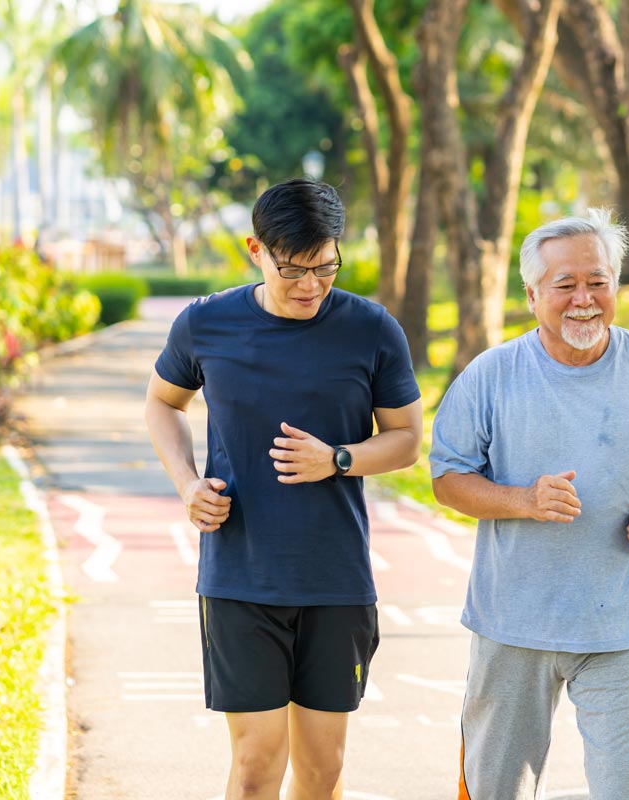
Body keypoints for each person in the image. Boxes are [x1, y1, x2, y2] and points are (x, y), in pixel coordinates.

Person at [145, 178, 423, 800]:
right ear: (255, 250)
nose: (311, 286)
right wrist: (188, 484)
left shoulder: (372, 329)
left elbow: (406, 438)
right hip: (240, 576)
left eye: (326, 267)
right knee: (254, 766)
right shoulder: (206, 323)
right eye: (294, 269)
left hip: (336, 578)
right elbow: (163, 404)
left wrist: (340, 458)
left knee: (322, 770)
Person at [429, 208, 629, 799]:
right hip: (513, 623)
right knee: (494, 788)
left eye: (598, 282)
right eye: (565, 285)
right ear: (532, 294)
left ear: (616, 284)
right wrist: (523, 499)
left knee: (621, 790)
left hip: (622, 622)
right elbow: (448, 478)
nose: (584, 299)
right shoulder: (491, 375)